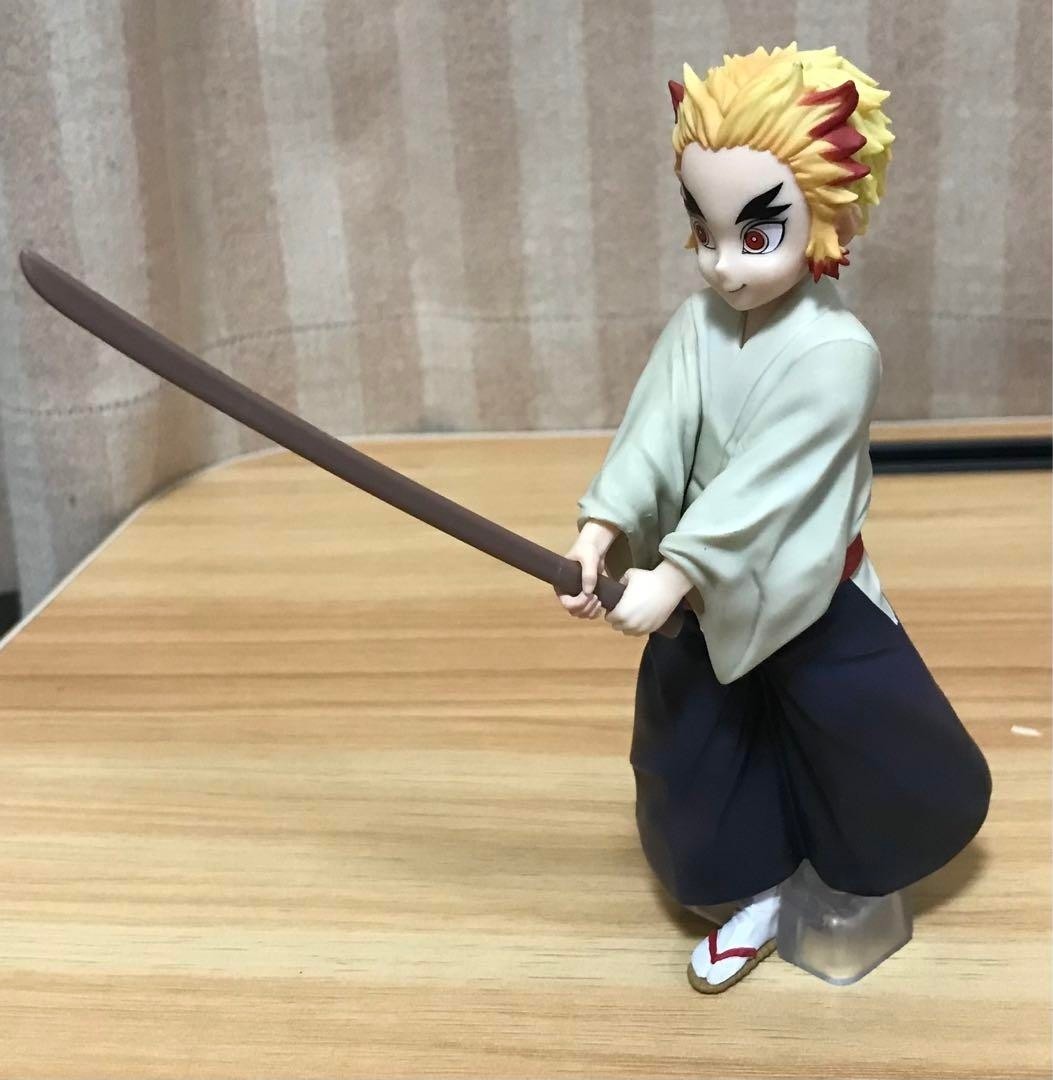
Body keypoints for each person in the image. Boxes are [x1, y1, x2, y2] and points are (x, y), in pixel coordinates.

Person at [557, 44, 991, 993]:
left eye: (755, 236)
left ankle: (845, 885)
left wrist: (676, 571)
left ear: (832, 216)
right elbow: (652, 436)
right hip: (698, 599)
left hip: (807, 598)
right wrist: (600, 531)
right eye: (703, 231)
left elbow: (769, 486)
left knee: (859, 756)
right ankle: (752, 896)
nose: (721, 264)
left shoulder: (838, 353)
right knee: (691, 759)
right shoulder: (697, 325)